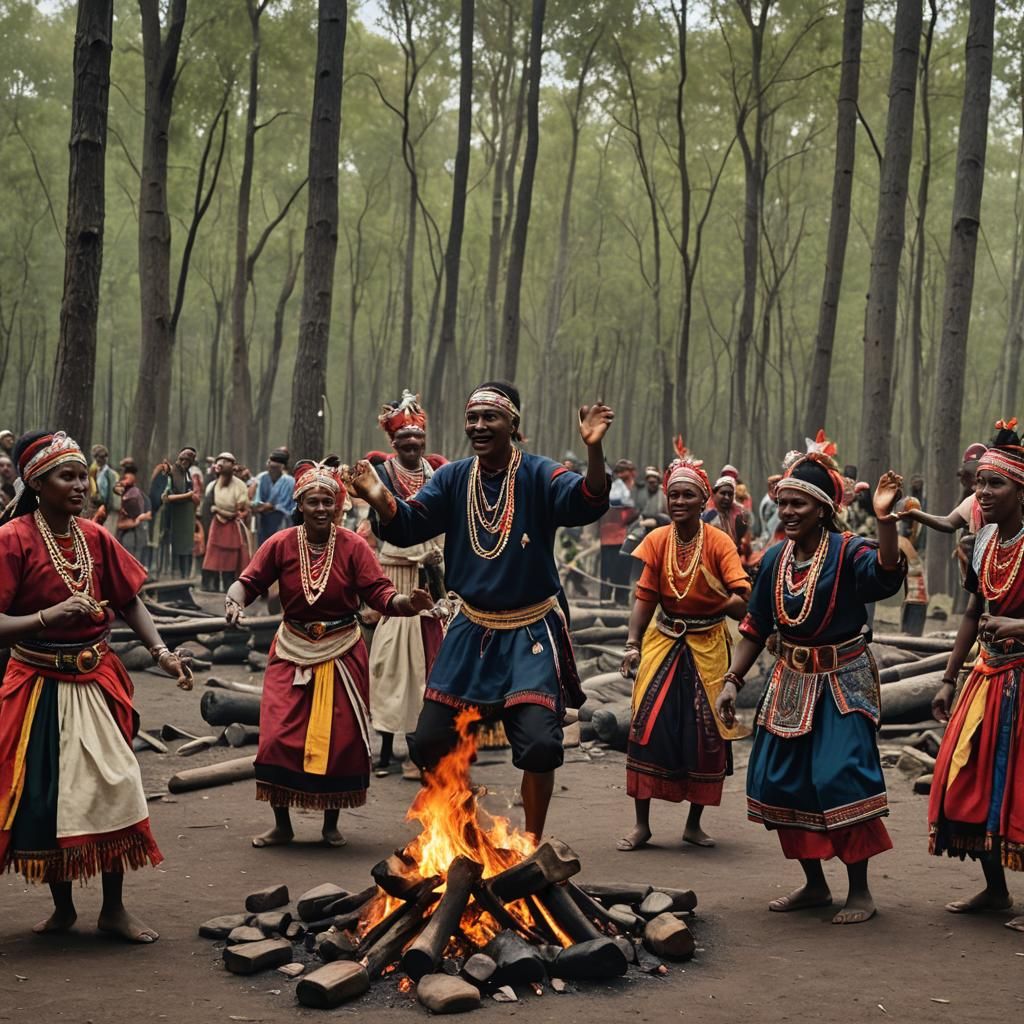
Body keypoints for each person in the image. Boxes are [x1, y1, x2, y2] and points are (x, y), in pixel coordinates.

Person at [346, 382, 613, 840]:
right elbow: (409, 527)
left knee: (540, 744)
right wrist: (378, 496)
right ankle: (459, 829)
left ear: (513, 424)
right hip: (471, 627)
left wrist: (594, 452)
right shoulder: (453, 478)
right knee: (430, 741)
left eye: (490, 417)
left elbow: (588, 501)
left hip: (530, 628)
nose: (479, 426)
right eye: (473, 418)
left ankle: (530, 843)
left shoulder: (538, 474)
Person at [0, 430, 192, 942]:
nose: (80, 485)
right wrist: (47, 615)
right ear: (37, 484)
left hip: (96, 679)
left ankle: (113, 909)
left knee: (116, 785)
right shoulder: (13, 539)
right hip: (37, 683)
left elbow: (129, 601)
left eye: (83, 474)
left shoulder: (96, 536)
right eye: (67, 476)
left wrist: (162, 653)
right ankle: (62, 909)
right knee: (48, 798)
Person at [716, 442, 906, 925]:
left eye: (798, 503)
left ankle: (859, 891)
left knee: (839, 776)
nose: (787, 511)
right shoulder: (776, 558)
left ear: (824, 508)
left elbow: (886, 577)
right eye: (782, 502)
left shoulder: (849, 552)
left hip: (843, 681)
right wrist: (732, 680)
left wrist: (885, 522)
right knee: (781, 781)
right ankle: (815, 884)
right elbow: (756, 626)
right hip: (791, 682)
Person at [224, 460, 433, 847]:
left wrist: (409, 603)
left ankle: (329, 824)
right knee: (277, 736)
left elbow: (381, 595)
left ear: (338, 506)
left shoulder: (353, 545)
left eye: (328, 502)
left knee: (341, 739)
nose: (321, 508)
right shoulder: (281, 543)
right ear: (299, 505)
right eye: (313, 502)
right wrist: (234, 601)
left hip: (342, 650)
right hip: (291, 649)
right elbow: (248, 581)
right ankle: (282, 824)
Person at [617, 452, 750, 852]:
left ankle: (694, 823)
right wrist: (631, 643)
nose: (678, 502)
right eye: (673, 495)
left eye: (687, 496)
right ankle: (642, 825)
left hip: (708, 645)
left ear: (703, 499)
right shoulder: (656, 540)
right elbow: (645, 597)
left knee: (706, 733)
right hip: (663, 642)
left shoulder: (720, 543)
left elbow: (743, 600)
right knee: (646, 725)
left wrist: (715, 603)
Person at [928, 420, 1024, 932]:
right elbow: (971, 612)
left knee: (1022, 790)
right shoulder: (984, 540)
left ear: (1021, 490)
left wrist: (1019, 624)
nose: (982, 493)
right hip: (988, 676)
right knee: (968, 780)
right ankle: (995, 890)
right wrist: (948, 677)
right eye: (979, 483)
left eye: (995, 484)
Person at [366, 391, 446, 780]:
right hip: (395, 571)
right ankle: (384, 750)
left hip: (433, 575)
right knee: (390, 663)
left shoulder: (437, 473)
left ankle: (422, 748)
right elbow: (379, 523)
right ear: (393, 444)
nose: (413, 448)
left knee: (428, 665)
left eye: (418, 442)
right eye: (405, 443)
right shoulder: (379, 476)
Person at [200, 453, 249, 592]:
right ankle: (211, 586)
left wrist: (228, 513)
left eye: (226, 462)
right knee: (212, 557)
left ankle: (229, 587)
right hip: (215, 525)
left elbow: (242, 508)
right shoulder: (211, 485)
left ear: (233, 466)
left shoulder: (239, 486)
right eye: (219, 461)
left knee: (230, 558)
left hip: (231, 525)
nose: (221, 464)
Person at [600, 459, 639, 605]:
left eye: (625, 471)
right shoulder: (615, 488)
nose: (622, 474)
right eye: (619, 471)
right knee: (610, 569)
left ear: (632, 472)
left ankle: (622, 599)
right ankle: (607, 600)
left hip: (635, 535)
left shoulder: (638, 489)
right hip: (613, 535)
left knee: (627, 570)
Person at [163, 447, 201, 578]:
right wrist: (188, 496)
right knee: (175, 550)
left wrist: (193, 499)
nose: (185, 462)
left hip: (186, 520)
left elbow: (192, 494)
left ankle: (184, 581)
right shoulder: (171, 472)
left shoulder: (187, 474)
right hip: (174, 518)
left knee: (186, 550)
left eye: (188, 460)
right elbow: (166, 497)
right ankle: (174, 580)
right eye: (182, 459)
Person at [251, 448, 295, 546]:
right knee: (263, 546)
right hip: (264, 520)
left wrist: (273, 506)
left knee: (279, 545)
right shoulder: (262, 478)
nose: (272, 470)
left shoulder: (290, 481)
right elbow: (257, 498)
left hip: (281, 519)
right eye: (271, 467)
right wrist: (257, 505)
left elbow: (288, 504)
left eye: (275, 468)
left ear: (282, 467)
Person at [703, 475, 752, 560]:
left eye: (730, 494)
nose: (727, 497)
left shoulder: (739, 517)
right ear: (714, 494)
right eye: (723, 493)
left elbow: (745, 547)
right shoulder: (707, 518)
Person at [115, 462, 152, 567]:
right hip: (124, 527)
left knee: (133, 554)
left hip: (134, 527)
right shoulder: (121, 490)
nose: (126, 479)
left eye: (129, 476)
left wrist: (139, 519)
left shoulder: (135, 492)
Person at [87, 444, 119, 531]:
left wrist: (96, 498)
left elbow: (107, 497)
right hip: (95, 508)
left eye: (102, 457)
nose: (99, 459)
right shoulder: (95, 471)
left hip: (104, 509)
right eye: (97, 456)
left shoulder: (109, 474)